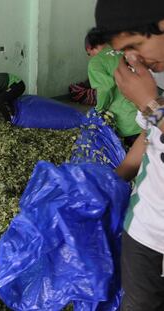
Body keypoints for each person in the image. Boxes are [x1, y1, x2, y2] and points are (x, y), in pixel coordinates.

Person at [95, 0, 164, 310]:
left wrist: (150, 104)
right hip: (147, 230)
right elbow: (151, 137)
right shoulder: (159, 76)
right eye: (125, 52)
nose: (135, 59)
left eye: (135, 45)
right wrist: (113, 182)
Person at [85, 27, 141, 146]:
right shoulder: (123, 51)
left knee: (128, 159)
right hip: (143, 117)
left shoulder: (96, 61)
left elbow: (105, 87)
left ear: (89, 48)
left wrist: (99, 110)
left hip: (125, 122)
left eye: (89, 54)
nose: (90, 56)